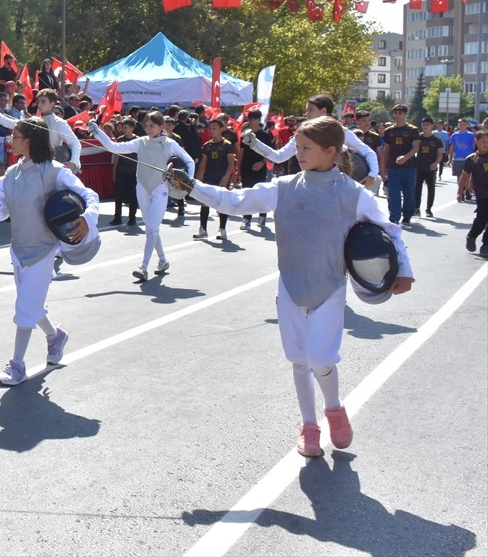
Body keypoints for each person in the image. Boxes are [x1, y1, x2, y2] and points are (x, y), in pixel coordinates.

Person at [166, 116, 413, 458]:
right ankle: (309, 427)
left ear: (330, 151)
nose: (298, 153)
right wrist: (192, 185)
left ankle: (334, 409)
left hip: (329, 287)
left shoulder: (352, 194)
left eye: (306, 148)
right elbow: (233, 202)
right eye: (297, 147)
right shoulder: (283, 188)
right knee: (298, 359)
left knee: (319, 355)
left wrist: (404, 271)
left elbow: (390, 230)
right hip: (291, 284)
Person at [0, 117, 99, 385]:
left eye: (15, 136)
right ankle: (56, 336)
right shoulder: (10, 176)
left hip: (43, 250)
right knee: (32, 304)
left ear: (28, 141)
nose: (10, 140)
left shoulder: (55, 171)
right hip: (18, 249)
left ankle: (17, 364)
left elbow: (90, 196)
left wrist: (87, 220)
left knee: (25, 306)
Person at [90, 110, 194, 281]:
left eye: (152, 126)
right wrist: (98, 132)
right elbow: (114, 147)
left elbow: (189, 161)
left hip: (160, 189)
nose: (148, 128)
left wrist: (189, 183)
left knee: (151, 228)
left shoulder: (170, 144)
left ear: (161, 126)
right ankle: (162, 260)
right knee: (151, 228)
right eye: (146, 126)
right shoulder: (140, 142)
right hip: (142, 187)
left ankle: (143, 267)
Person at [243, 95, 379, 191]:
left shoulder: (340, 132)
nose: (306, 114)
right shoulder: (302, 134)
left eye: (310, 110)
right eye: (306, 110)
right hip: (309, 186)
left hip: (337, 189)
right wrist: (254, 144)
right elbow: (279, 157)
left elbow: (367, 152)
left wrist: (372, 174)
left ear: (323, 111)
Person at [0, 89, 81, 171]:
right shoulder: (34, 121)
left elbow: (75, 143)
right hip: (32, 165)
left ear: (52, 103)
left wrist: (73, 162)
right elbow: (7, 122)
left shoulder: (59, 123)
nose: (39, 104)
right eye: (38, 101)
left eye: (43, 101)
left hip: (51, 167)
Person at [194, 118, 235, 240]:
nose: (212, 131)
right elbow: (203, 163)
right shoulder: (207, 145)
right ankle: (203, 229)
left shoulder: (227, 145)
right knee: (204, 202)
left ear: (221, 129)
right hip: (209, 177)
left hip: (222, 177)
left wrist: (227, 177)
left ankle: (222, 229)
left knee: (222, 203)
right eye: (210, 128)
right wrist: (198, 178)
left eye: (214, 128)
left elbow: (231, 163)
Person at [380, 103, 421, 225]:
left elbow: (416, 148)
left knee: (409, 192)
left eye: (400, 113)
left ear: (405, 114)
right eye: (396, 113)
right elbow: (386, 149)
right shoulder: (389, 131)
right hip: (393, 167)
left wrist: (405, 157)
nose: (398, 115)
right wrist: (383, 168)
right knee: (393, 193)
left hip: (409, 167)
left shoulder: (413, 130)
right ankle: (394, 216)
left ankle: (407, 214)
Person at [235, 109, 274, 229]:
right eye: (250, 119)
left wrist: (261, 163)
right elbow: (241, 151)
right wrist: (238, 168)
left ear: (259, 120)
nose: (252, 121)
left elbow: (270, 153)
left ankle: (262, 215)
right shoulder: (245, 134)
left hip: (259, 167)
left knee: (259, 193)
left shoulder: (266, 135)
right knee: (247, 193)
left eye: (254, 119)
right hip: (246, 166)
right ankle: (246, 219)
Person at [458, 129, 488, 257]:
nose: (486, 144)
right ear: (476, 141)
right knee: (481, 218)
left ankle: (486, 245)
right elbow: (464, 176)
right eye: (483, 141)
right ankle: (472, 236)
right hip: (481, 193)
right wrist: (460, 192)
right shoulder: (471, 159)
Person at [108, 116, 138, 227]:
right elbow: (117, 156)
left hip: (133, 172)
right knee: (118, 195)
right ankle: (117, 217)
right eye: (122, 127)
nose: (123, 130)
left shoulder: (138, 141)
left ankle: (132, 218)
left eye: (125, 127)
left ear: (132, 128)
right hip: (122, 170)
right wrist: (114, 171)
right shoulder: (120, 139)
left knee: (132, 196)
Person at [413, 117, 443, 218]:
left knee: (431, 188)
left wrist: (436, 163)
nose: (425, 126)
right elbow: (413, 150)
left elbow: (440, 154)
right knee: (417, 188)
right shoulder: (418, 138)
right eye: (423, 124)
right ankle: (416, 208)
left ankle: (429, 209)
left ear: (431, 126)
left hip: (431, 167)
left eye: (427, 124)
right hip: (419, 166)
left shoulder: (437, 140)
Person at [448, 118, 476, 201]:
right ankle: (461, 192)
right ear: (458, 125)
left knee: (467, 176)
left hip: (468, 158)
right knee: (459, 176)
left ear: (467, 125)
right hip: (457, 158)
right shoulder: (454, 135)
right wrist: (450, 159)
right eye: (460, 124)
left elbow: (473, 146)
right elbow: (452, 147)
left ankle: (467, 190)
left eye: (464, 124)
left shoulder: (470, 135)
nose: (462, 126)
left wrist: (474, 156)